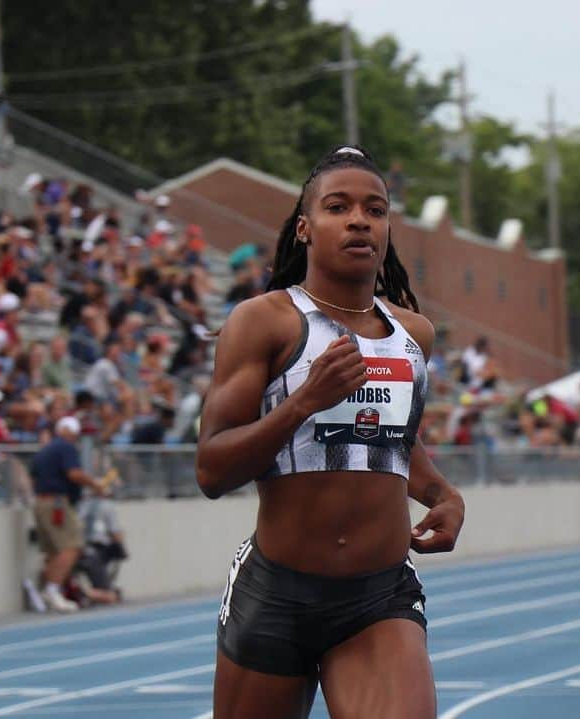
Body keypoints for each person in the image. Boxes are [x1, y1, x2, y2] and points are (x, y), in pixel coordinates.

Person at [195, 145, 465, 719]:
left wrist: (442, 494)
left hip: (378, 595)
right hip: (277, 593)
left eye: (375, 209)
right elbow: (212, 470)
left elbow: (394, 442)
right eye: (338, 207)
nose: (359, 220)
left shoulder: (413, 335)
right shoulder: (262, 322)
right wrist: (303, 404)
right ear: (304, 228)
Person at [29, 416, 109, 613]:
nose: (75, 436)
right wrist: (95, 484)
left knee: (53, 551)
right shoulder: (65, 447)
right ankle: (52, 590)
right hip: (57, 503)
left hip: (41, 500)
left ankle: (50, 590)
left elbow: (35, 475)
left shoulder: (44, 450)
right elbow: (74, 474)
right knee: (71, 546)